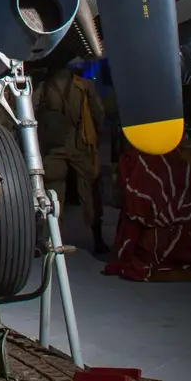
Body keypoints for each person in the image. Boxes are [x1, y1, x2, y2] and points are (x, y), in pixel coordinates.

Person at [38, 59, 108, 255]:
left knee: (53, 193)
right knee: (90, 191)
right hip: (80, 143)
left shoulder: (45, 87)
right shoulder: (84, 86)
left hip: (55, 145)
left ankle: (53, 237)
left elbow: (34, 113)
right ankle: (97, 238)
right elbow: (98, 113)